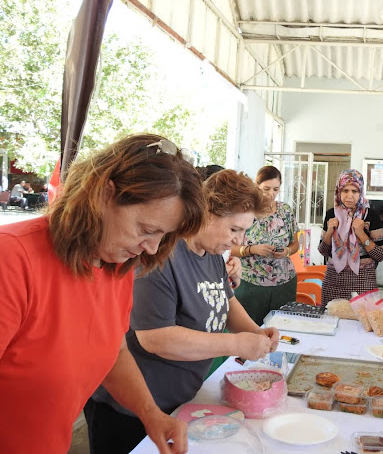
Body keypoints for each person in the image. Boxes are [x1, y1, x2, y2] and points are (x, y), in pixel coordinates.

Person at [0, 134, 207, 454]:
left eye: (163, 235)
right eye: (147, 229)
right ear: (104, 195)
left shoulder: (116, 265)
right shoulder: (12, 259)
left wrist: (151, 414)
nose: (152, 247)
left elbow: (113, 351)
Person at [86, 169, 279, 454]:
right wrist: (236, 343)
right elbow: (156, 338)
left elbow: (225, 302)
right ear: (207, 213)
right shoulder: (161, 254)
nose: (239, 241)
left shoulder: (212, 254)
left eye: (245, 231)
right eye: (234, 229)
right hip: (130, 410)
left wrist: (255, 332)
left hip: (180, 401)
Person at [232, 166, 299, 324]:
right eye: (266, 188)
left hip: (284, 284)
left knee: (281, 332)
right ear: (257, 186)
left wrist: (287, 251)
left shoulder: (285, 211)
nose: (271, 194)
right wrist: (251, 249)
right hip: (250, 285)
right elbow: (230, 249)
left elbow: (295, 244)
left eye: (276, 189)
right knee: (248, 331)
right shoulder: (246, 211)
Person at [318, 169, 383, 307]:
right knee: (333, 322)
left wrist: (361, 234)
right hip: (334, 282)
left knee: (361, 325)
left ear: (360, 192)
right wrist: (329, 232)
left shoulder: (371, 216)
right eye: (345, 190)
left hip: (363, 283)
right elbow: (323, 251)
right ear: (339, 191)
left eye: (354, 191)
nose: (349, 196)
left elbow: (381, 255)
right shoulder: (331, 214)